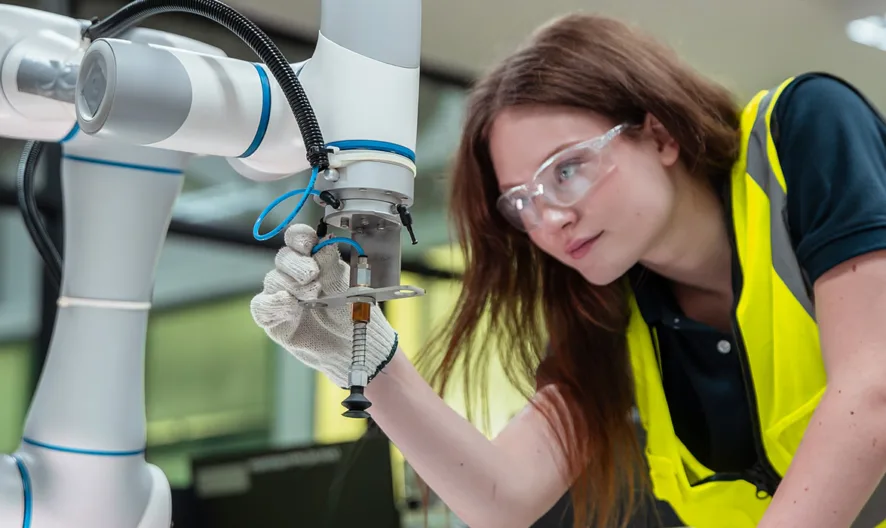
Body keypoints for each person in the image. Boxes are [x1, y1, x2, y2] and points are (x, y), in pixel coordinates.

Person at [249, 13, 886, 528]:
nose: (548, 220)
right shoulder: (610, 310)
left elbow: (872, 392)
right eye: (521, 201)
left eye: (567, 169)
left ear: (659, 135)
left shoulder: (801, 133)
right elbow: (504, 499)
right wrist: (368, 361)